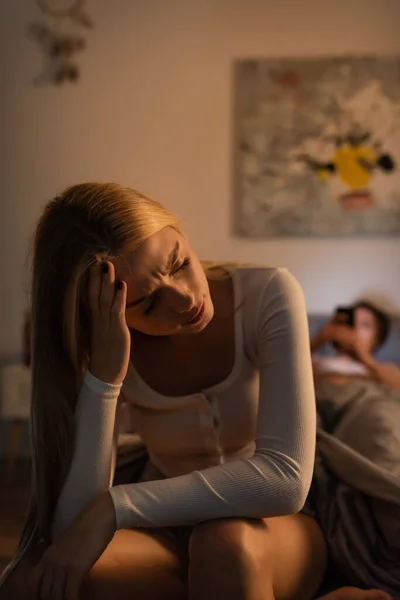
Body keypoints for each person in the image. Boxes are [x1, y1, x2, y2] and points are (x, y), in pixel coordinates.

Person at [0, 183, 392, 600]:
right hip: (161, 533)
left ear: (179, 230)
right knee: (30, 583)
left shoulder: (268, 293)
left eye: (179, 261)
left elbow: (286, 481)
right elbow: (73, 528)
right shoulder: (100, 342)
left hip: (272, 525)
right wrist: (105, 378)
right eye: (148, 304)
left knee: (224, 545)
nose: (185, 298)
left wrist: (117, 506)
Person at [311, 301, 400, 391]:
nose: (355, 328)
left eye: (365, 324)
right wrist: (320, 338)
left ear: (378, 338)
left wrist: (364, 356)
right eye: (351, 322)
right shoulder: (315, 361)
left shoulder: (383, 370)